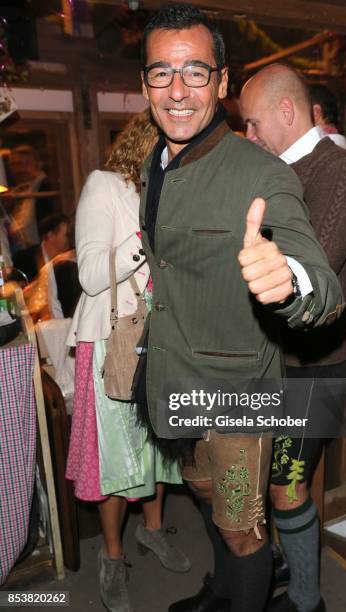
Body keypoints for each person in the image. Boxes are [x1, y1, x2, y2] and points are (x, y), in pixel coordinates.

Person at [138, 5, 344, 612]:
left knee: (243, 529)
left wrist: (291, 280)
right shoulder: (158, 161)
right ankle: (222, 593)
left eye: (196, 73)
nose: (177, 91)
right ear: (144, 83)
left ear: (223, 83)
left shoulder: (261, 172)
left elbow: (323, 287)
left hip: (237, 398)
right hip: (175, 382)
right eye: (161, 73)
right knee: (206, 500)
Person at [241, 65, 346, 612]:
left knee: (287, 486)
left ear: (287, 113)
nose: (247, 137)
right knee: (264, 479)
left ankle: (306, 599)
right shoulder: (278, 171)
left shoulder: (340, 171)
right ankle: (282, 569)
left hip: (318, 362)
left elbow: (309, 269)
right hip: (280, 355)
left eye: (252, 124)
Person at [65, 112, 190, 612]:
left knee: (160, 445)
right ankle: (113, 556)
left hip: (163, 337)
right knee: (116, 461)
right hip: (113, 338)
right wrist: (148, 237)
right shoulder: (104, 185)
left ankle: (154, 531)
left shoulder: (177, 192)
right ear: (149, 143)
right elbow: (91, 274)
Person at [7, 145, 56, 253]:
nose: (20, 169)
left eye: (26, 164)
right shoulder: (22, 190)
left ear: (39, 164)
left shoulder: (47, 187)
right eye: (14, 165)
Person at [13, 213, 70, 282]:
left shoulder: (69, 260)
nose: (70, 238)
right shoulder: (23, 259)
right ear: (50, 236)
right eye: (67, 235)